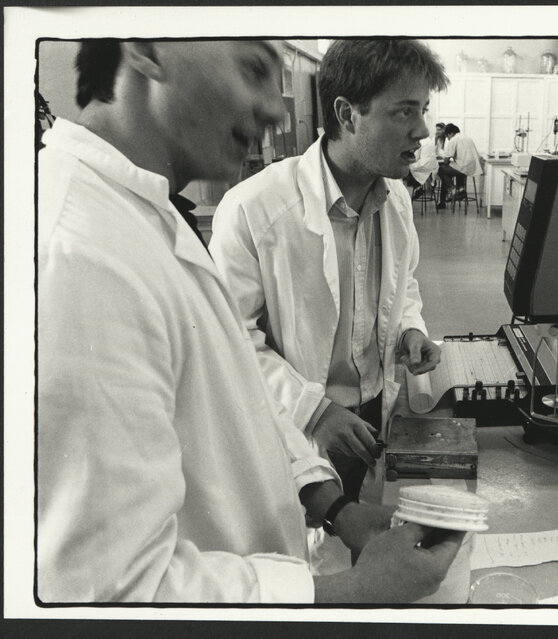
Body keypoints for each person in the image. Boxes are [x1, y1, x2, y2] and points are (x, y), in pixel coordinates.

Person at [37, 38, 462, 603]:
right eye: (253, 67)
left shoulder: (144, 215)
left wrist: (336, 510)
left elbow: (235, 391)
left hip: (330, 462)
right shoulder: (77, 249)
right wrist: (353, 592)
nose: (274, 107)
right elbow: (106, 591)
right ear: (144, 45)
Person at [209, 39, 445, 506]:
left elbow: (405, 281)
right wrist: (314, 412)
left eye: (424, 110)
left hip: (375, 411)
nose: (422, 130)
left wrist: (409, 330)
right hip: (292, 425)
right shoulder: (256, 211)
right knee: (305, 550)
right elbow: (229, 342)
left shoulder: (394, 199)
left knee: (362, 528)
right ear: (347, 113)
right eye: (404, 112)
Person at [436, 122, 480, 209]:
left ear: (451, 133)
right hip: (472, 167)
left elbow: (446, 160)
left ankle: (452, 190)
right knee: (453, 170)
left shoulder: (453, 140)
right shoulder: (467, 137)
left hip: (462, 168)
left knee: (441, 170)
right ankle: (460, 190)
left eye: (447, 136)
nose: (448, 139)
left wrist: (445, 160)